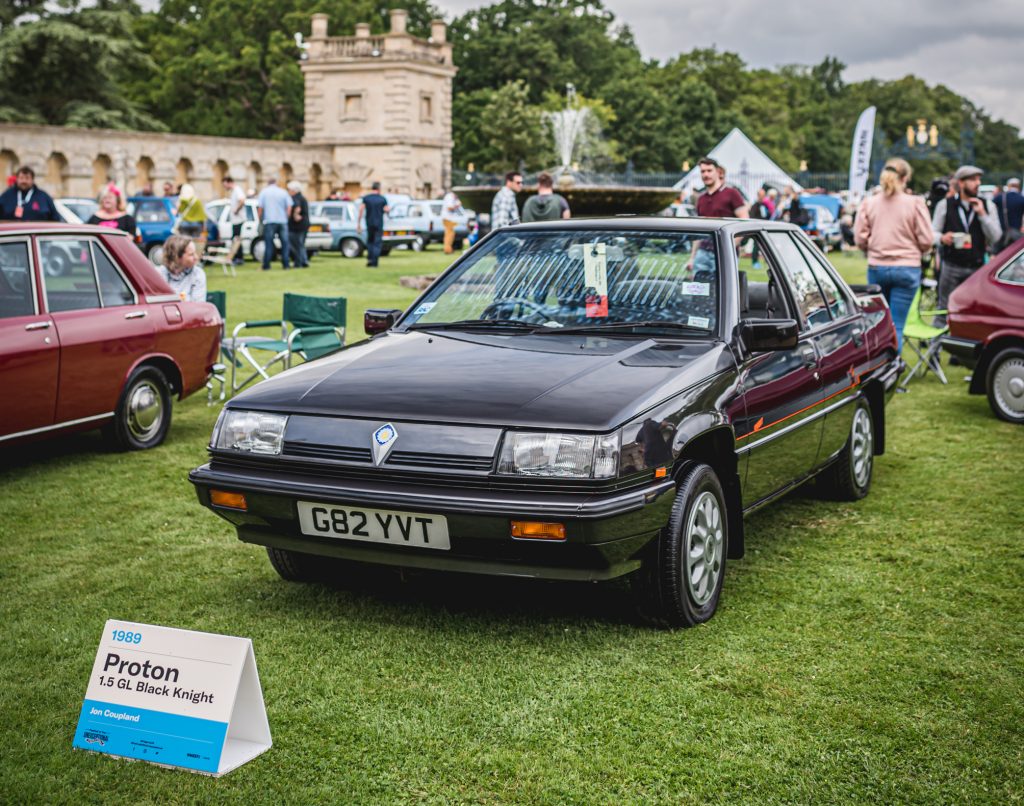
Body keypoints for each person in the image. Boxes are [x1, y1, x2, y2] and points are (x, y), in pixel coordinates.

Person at [853, 158, 933, 351]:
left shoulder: (869, 203)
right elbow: (927, 239)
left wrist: (870, 248)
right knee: (896, 323)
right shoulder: (915, 203)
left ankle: (879, 368)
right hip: (907, 267)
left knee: (879, 324)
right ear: (905, 178)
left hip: (877, 266)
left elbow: (860, 237)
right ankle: (891, 369)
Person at [932, 165, 1002, 313]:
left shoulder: (987, 205)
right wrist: (942, 238)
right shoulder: (945, 205)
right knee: (944, 310)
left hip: (977, 268)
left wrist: (982, 215)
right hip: (951, 267)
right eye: (973, 180)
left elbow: (996, 236)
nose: (978, 183)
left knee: (975, 310)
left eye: (979, 180)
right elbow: (932, 234)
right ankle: (940, 336)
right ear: (961, 183)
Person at [257, 176, 292, 270]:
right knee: (285, 243)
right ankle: (286, 265)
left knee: (268, 244)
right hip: (282, 221)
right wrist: (287, 216)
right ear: (276, 183)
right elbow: (289, 206)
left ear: (268, 183)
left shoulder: (264, 192)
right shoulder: (283, 192)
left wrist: (259, 219)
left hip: (269, 221)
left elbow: (260, 207)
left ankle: (267, 265)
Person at [159, 234, 206, 302]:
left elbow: (198, 307)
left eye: (195, 253)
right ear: (177, 257)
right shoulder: (159, 274)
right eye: (191, 254)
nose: (196, 257)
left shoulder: (197, 274)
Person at [357, 181, 389, 267]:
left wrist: (358, 223)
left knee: (370, 241)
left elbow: (361, 210)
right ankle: (375, 261)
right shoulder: (382, 199)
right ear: (379, 189)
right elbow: (387, 209)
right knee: (377, 242)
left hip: (369, 223)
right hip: (379, 223)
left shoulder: (366, 198)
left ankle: (370, 259)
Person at [993, 178, 1024, 248]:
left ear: (1009, 186)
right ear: (1018, 186)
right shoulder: (1022, 199)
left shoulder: (1000, 197)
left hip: (1002, 234)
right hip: (1017, 234)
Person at [224, 175, 247, 265]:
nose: (224, 187)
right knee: (236, 239)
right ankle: (238, 257)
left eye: (225, 185)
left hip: (238, 220)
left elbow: (242, 200)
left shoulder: (237, 190)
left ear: (229, 182)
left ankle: (239, 258)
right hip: (236, 220)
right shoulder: (234, 191)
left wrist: (236, 210)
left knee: (236, 239)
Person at [287, 180, 310, 268]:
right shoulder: (302, 197)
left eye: (289, 190)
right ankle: (304, 261)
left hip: (297, 226)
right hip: (304, 224)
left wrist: (295, 215)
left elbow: (297, 207)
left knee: (296, 245)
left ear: (294, 190)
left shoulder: (295, 197)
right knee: (300, 244)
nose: (288, 191)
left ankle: (298, 263)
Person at [440, 187, 464, 254]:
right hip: (447, 218)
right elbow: (449, 207)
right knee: (449, 235)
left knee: (451, 234)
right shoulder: (450, 197)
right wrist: (457, 205)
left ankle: (449, 248)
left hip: (450, 218)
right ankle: (447, 250)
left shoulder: (454, 197)